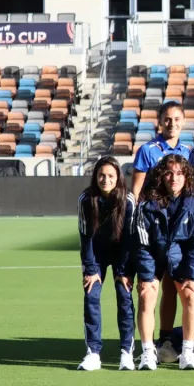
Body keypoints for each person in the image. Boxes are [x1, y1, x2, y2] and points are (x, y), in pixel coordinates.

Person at [133, 154, 194, 371]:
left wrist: (192, 274)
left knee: (190, 294)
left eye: (179, 173)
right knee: (146, 295)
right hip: (155, 256)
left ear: (186, 176)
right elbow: (142, 243)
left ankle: (187, 352)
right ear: (161, 176)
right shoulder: (147, 204)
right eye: (168, 173)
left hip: (183, 258)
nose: (173, 178)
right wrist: (147, 276)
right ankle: (148, 352)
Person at [130, 101, 191, 363]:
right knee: (147, 288)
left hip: (178, 232)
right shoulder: (148, 150)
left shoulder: (189, 151)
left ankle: (166, 338)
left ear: (184, 122)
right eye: (167, 119)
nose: (172, 124)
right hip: (152, 231)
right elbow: (136, 191)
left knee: (171, 287)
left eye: (177, 119)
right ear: (160, 122)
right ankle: (147, 346)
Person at [77, 157, 136, 372]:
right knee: (91, 296)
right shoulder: (86, 199)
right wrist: (91, 270)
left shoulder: (128, 200)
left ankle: (126, 353)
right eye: (101, 175)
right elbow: (86, 237)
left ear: (118, 177)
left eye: (111, 176)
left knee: (124, 297)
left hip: (122, 253)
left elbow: (130, 238)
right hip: (97, 254)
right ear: (95, 176)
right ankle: (93, 353)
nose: (106, 180)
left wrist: (123, 271)